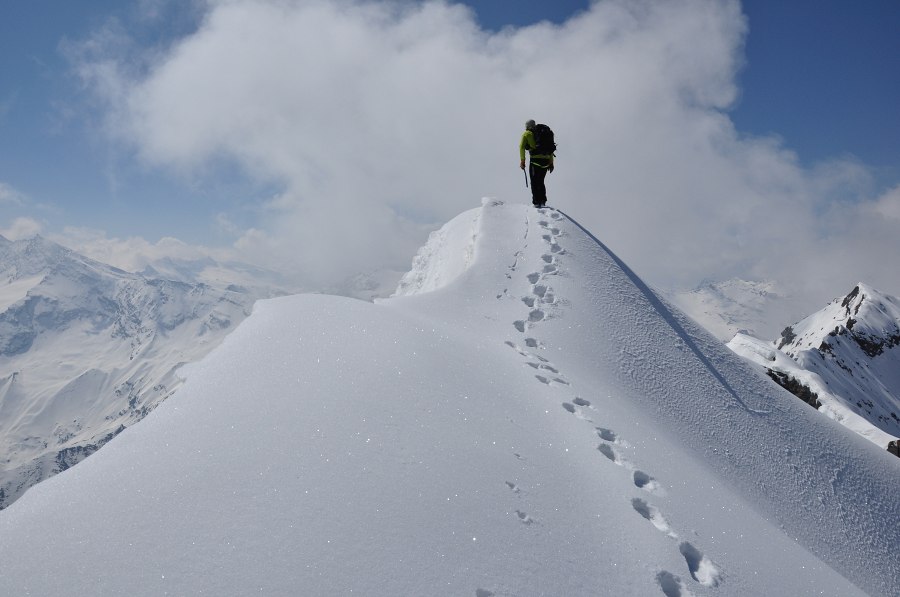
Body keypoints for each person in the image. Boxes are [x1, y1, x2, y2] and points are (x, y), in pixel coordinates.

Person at [519, 119, 554, 208]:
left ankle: (536, 203)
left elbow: (521, 147)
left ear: (527, 126)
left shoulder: (527, 134)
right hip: (546, 162)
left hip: (535, 161)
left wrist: (522, 161)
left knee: (534, 181)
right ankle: (543, 201)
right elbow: (550, 149)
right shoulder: (544, 133)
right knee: (541, 181)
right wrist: (551, 163)